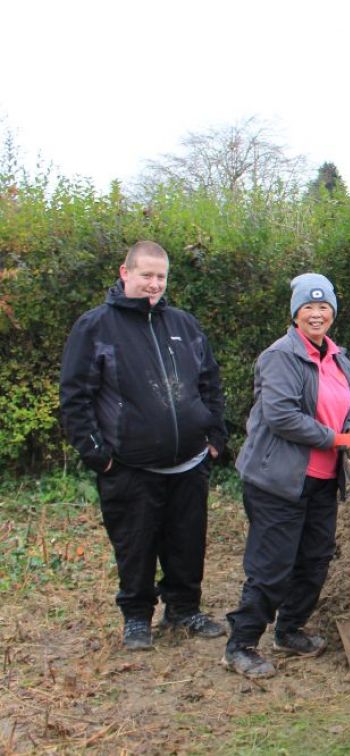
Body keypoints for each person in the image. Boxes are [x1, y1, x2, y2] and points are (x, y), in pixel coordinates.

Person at [59, 240, 227, 651]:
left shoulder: (184, 325)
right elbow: (75, 398)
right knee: (135, 547)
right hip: (129, 467)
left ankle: (184, 610)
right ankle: (137, 618)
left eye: (161, 277)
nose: (154, 284)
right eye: (146, 275)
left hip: (189, 464)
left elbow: (210, 383)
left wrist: (215, 438)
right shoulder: (96, 327)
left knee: (187, 543)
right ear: (125, 273)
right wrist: (98, 455)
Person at [223, 273, 350, 679]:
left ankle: (289, 630)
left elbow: (347, 406)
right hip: (278, 479)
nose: (317, 313)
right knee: (272, 565)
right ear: (295, 313)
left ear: (333, 313)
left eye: (324, 306)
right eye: (308, 306)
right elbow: (281, 415)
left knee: (314, 559)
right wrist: (334, 437)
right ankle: (240, 644)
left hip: (322, 478)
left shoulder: (338, 357)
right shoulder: (281, 356)